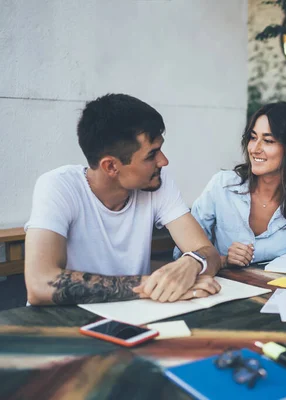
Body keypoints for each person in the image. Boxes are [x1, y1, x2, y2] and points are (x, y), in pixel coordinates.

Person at [25, 94, 222, 306]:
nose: (163, 161)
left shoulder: (157, 181)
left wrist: (193, 262)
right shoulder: (59, 186)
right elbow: (39, 285)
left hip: (133, 316)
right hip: (64, 323)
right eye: (151, 155)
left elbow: (208, 252)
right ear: (110, 166)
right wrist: (154, 285)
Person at [174, 102, 286, 276]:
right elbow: (183, 254)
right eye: (253, 138)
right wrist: (223, 260)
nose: (255, 149)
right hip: (219, 290)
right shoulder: (223, 186)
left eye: (268, 141)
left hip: (274, 294)